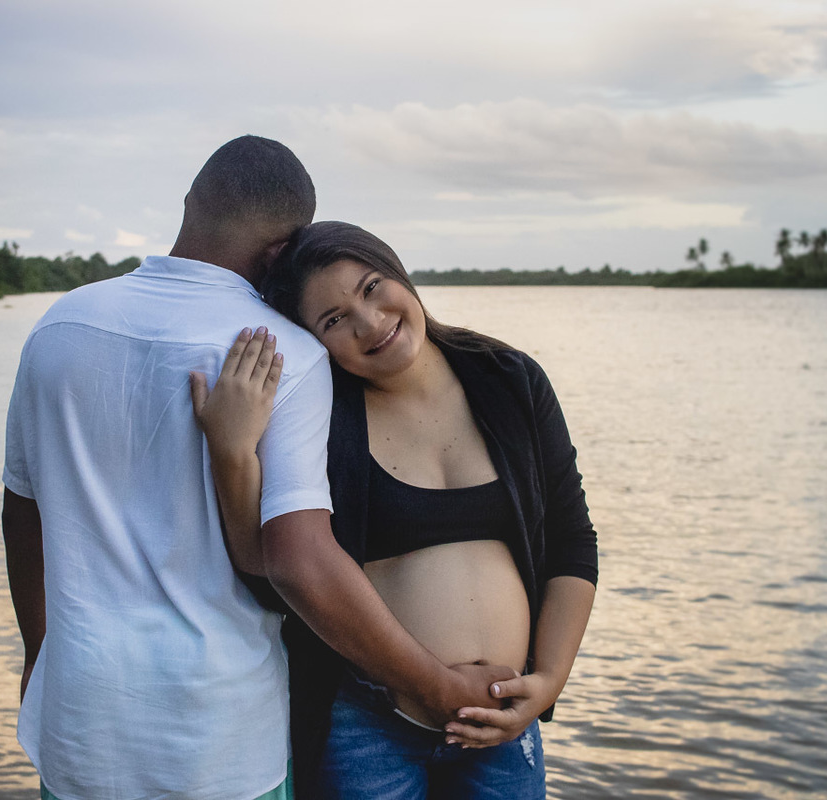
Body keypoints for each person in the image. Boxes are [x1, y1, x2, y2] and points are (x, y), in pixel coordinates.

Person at [2, 138, 510, 800]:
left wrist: (38, 654)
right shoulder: (284, 354)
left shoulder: (57, 328)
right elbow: (300, 559)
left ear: (191, 202)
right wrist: (435, 686)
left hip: (81, 720)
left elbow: (23, 516)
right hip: (218, 734)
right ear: (284, 251)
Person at [192, 221, 598, 799]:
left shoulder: (511, 379)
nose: (370, 322)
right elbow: (271, 572)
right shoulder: (319, 414)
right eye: (333, 320)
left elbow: (571, 541)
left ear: (397, 271)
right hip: (366, 725)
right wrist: (230, 453)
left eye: (371, 286)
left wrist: (549, 681)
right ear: (312, 340)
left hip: (504, 725)